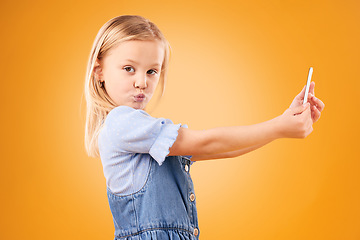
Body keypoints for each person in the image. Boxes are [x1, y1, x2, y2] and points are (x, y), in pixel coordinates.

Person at [84, 15, 325, 240]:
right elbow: (206, 143)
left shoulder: (145, 132)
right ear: (99, 72)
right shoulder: (122, 123)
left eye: (152, 71)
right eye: (129, 69)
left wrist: (282, 125)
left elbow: (219, 149)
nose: (142, 82)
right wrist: (278, 127)